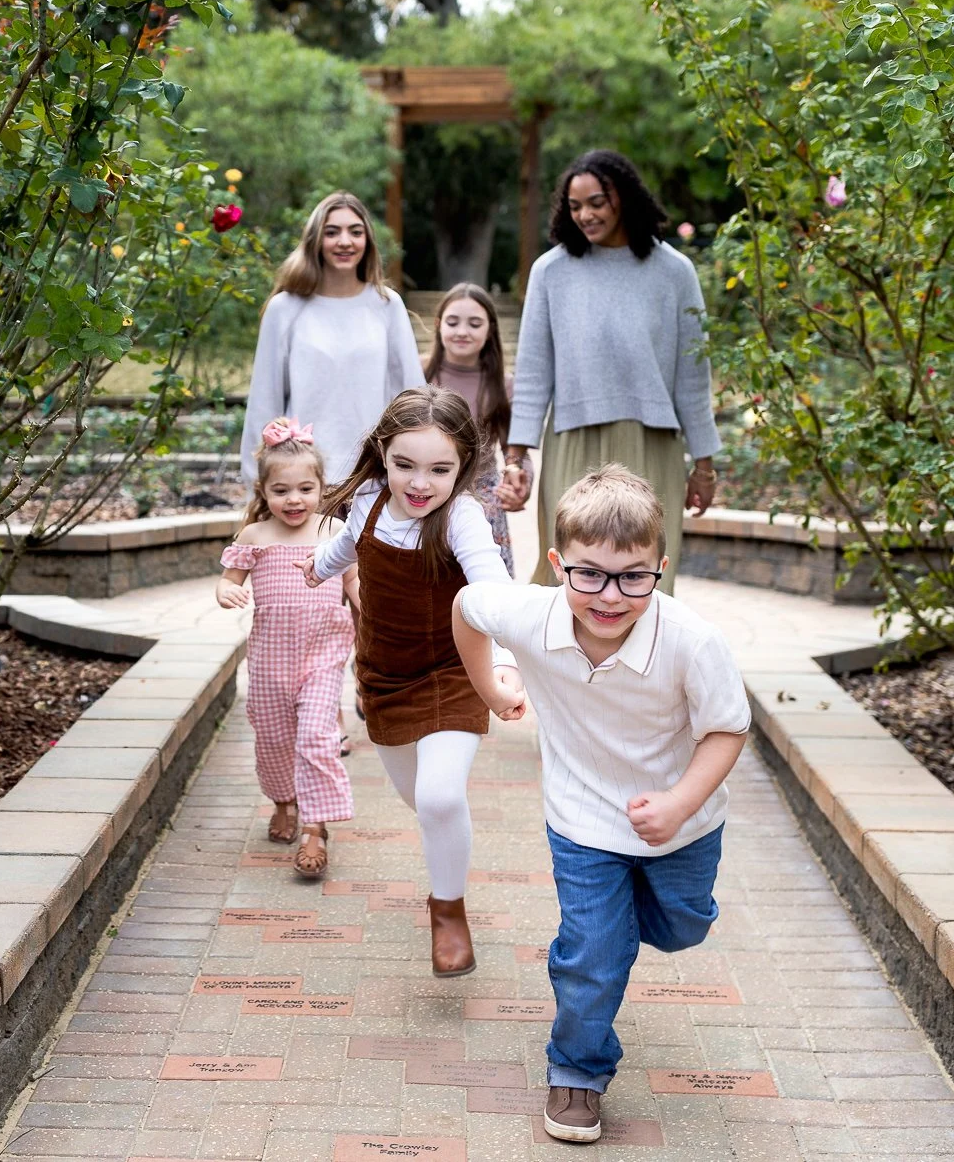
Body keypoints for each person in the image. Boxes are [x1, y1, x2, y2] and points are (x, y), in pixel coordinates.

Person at [453, 465, 748, 1144]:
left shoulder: (692, 640)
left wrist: (678, 802)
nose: (610, 595)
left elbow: (728, 729)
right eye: (589, 574)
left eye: (632, 576)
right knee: (595, 948)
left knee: (681, 927)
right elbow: (467, 607)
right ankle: (577, 1071)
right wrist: (490, 688)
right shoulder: (530, 612)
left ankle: (611, 933)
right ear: (557, 564)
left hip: (683, 823)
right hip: (582, 818)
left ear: (660, 568)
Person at [297, 386, 524, 977]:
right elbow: (347, 545)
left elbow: (491, 590)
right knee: (421, 801)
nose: (420, 483)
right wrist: (318, 569)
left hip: (454, 672)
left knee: (440, 796)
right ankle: (445, 844)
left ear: (464, 467)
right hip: (384, 676)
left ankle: (448, 911)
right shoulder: (370, 499)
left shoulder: (462, 519)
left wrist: (503, 666)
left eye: (439, 469)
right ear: (383, 455)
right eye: (405, 465)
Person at [503, 150, 719, 592]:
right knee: (568, 573)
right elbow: (532, 373)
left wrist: (704, 466)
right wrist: (516, 456)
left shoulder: (675, 272)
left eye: (596, 202)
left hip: (652, 443)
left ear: (624, 197)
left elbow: (692, 377)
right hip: (571, 441)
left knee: (647, 577)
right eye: (575, 206)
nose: (585, 215)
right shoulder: (551, 271)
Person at [216, 419, 355, 878]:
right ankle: (283, 801)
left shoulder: (335, 530)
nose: (293, 500)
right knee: (273, 738)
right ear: (263, 490)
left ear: (320, 487)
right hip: (271, 659)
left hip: (324, 653)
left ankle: (316, 828)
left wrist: (370, 612)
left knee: (317, 736)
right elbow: (229, 579)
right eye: (281, 490)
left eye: (305, 488)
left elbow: (355, 582)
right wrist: (226, 591)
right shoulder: (255, 536)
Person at [242, 192, 423, 487]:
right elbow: (264, 401)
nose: (344, 241)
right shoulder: (285, 308)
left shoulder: (387, 305)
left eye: (355, 231)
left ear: (367, 241)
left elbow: (411, 396)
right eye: (332, 232)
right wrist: (256, 483)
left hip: (373, 477)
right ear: (316, 240)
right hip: (301, 479)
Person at [423, 283, 530, 575]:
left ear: (490, 330)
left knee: (485, 589)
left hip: (483, 495)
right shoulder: (418, 373)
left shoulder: (503, 384)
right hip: (425, 492)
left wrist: (518, 482)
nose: (462, 331)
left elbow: (515, 449)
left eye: (474, 323)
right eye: (453, 321)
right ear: (438, 324)